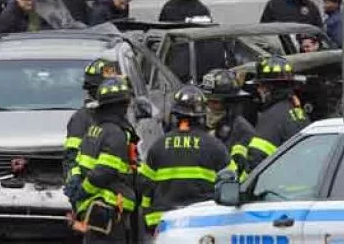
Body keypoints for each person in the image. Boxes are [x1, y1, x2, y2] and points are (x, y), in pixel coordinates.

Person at [137, 85, 233, 234]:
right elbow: (233, 182)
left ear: (175, 115)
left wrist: (148, 218)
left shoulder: (158, 146)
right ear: (202, 115)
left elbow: (143, 184)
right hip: (201, 225)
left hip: (163, 225)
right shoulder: (215, 146)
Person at [69, 77, 138, 244]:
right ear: (121, 105)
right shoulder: (115, 133)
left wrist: (77, 186)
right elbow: (105, 171)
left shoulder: (94, 129)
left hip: (92, 211)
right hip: (108, 210)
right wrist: (83, 191)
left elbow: (78, 162)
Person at [63, 59, 119, 193]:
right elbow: (72, 157)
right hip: (92, 191)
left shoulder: (123, 116)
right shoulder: (82, 118)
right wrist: (77, 185)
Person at [246, 55, 310, 172]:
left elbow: (256, 157)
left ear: (269, 88)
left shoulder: (272, 117)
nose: (258, 90)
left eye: (259, 86)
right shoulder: (298, 112)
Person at [200, 69, 256, 180]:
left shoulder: (243, 131)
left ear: (230, 104)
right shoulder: (200, 124)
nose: (209, 106)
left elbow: (238, 169)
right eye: (207, 101)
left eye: (215, 102)